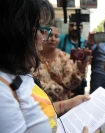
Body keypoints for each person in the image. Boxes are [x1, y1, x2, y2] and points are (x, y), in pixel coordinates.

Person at [0, 0, 94, 133]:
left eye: (53, 34)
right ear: (18, 31)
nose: (46, 38)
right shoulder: (4, 93)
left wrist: (66, 104)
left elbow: (39, 108)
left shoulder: (20, 73)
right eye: (42, 30)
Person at [32, 24, 90, 102]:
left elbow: (70, 84)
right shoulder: (32, 57)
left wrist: (81, 68)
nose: (53, 39)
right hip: (39, 105)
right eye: (50, 35)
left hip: (62, 105)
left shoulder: (65, 57)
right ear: (42, 36)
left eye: (56, 36)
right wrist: (57, 89)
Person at [57, 18, 87, 97]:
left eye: (78, 26)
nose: (74, 28)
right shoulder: (60, 39)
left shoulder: (84, 43)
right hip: (62, 83)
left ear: (82, 27)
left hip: (79, 82)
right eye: (72, 25)